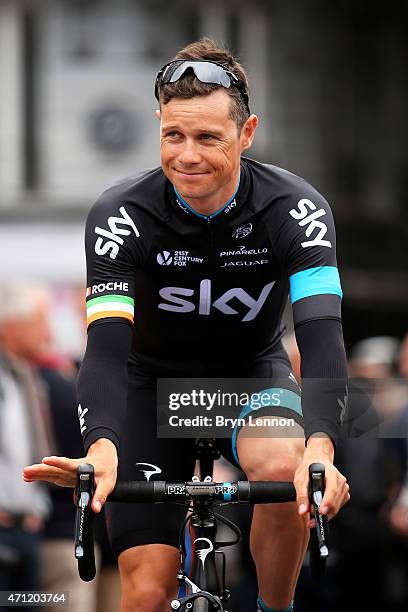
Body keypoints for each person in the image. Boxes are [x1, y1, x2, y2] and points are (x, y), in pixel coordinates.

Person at [24, 38, 350, 612]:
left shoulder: (297, 209)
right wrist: (100, 445)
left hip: (248, 379)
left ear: (247, 134)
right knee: (147, 592)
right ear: (158, 126)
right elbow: (103, 348)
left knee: (283, 466)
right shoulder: (121, 214)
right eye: (173, 135)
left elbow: (321, 331)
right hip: (146, 386)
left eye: (208, 137)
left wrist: (321, 445)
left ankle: (276, 608)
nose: (188, 155)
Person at [0, 282, 53, 610]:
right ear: (10, 327)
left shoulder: (28, 377)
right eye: (38, 323)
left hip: (27, 529)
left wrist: (36, 507)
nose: (46, 333)